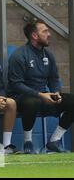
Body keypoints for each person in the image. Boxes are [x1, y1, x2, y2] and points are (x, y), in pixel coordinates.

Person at [8, 19, 74, 154]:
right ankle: (28, 142)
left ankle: (54, 141)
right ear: (34, 35)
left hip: (44, 97)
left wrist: (56, 93)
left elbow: (54, 78)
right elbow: (16, 84)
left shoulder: (48, 55)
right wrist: (40, 95)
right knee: (32, 101)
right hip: (22, 98)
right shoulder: (19, 55)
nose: (49, 34)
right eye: (45, 31)